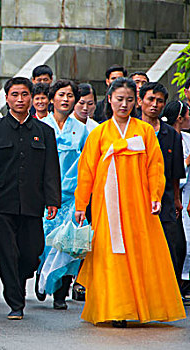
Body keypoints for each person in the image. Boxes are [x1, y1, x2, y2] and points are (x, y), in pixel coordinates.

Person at [75, 77, 186, 327]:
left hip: (138, 205)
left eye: (128, 100)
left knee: (139, 253)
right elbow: (87, 171)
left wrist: (155, 196)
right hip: (107, 205)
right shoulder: (100, 133)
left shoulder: (144, 131)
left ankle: (139, 304)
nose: (123, 105)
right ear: (110, 100)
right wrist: (81, 205)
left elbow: (155, 167)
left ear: (135, 102)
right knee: (111, 254)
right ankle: (116, 307)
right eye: (118, 99)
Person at [0, 77, 61, 320]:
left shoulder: (44, 131)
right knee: (7, 254)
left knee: (31, 252)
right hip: (2, 203)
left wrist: (52, 200)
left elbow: (50, 168)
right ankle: (15, 302)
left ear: (32, 98)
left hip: (32, 203)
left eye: (24, 95)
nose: (20, 100)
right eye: (15, 95)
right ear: (6, 99)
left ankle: (20, 280)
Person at [37, 80, 88, 310]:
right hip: (44, 194)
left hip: (71, 194)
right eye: (61, 95)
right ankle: (42, 277)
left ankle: (61, 291)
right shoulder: (40, 126)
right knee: (44, 242)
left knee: (67, 243)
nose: (65, 99)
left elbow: (86, 164)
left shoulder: (82, 129)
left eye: (70, 95)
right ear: (51, 99)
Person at [139, 82, 186, 289]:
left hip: (165, 199)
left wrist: (176, 199)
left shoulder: (171, 135)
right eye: (150, 99)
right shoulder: (131, 131)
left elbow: (176, 172)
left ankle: (170, 291)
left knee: (172, 246)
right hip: (137, 198)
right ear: (140, 101)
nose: (154, 105)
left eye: (160, 101)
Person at [163, 101, 190, 302]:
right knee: (177, 242)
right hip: (169, 195)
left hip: (181, 197)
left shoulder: (186, 137)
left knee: (181, 244)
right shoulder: (169, 137)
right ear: (180, 118)